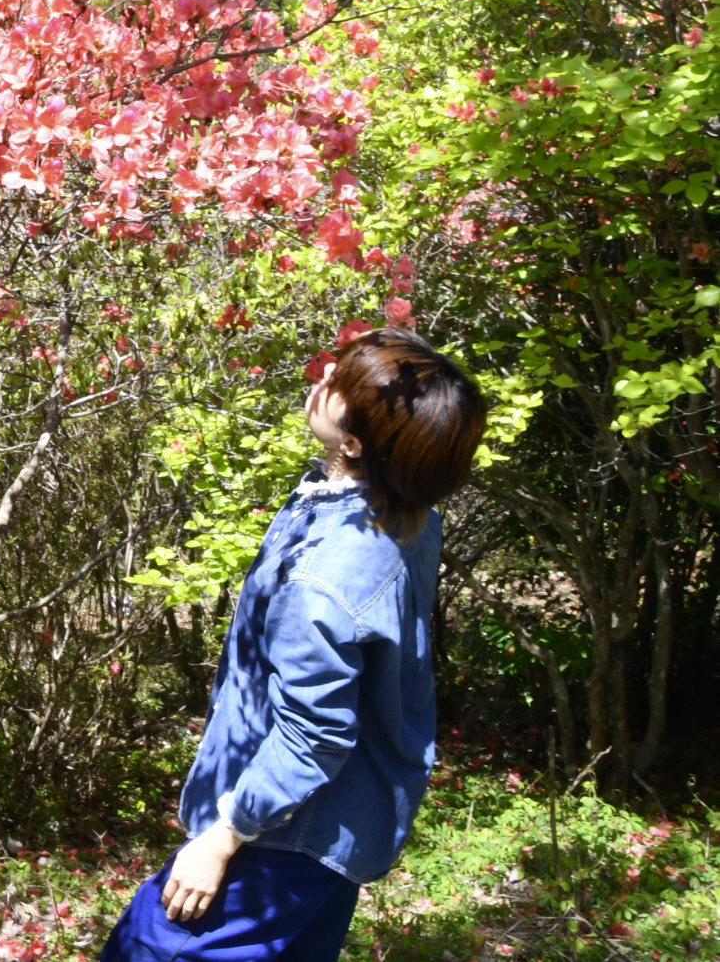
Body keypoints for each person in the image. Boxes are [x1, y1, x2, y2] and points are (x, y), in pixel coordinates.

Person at [99, 328, 488, 962]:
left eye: (337, 385)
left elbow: (315, 733)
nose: (320, 381)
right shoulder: (399, 510)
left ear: (357, 442)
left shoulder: (328, 574)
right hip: (340, 827)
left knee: (145, 949)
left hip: (280, 838)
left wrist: (222, 840)